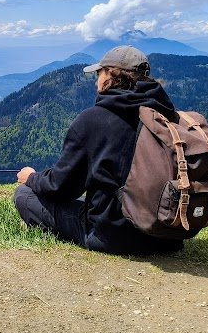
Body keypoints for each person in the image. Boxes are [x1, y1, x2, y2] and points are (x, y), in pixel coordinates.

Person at [14, 45, 184, 254]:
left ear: (110, 75)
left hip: (111, 236)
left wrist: (31, 177)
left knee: (24, 195)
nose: (96, 80)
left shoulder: (93, 120)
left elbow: (61, 187)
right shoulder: (166, 115)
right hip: (168, 235)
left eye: (98, 73)